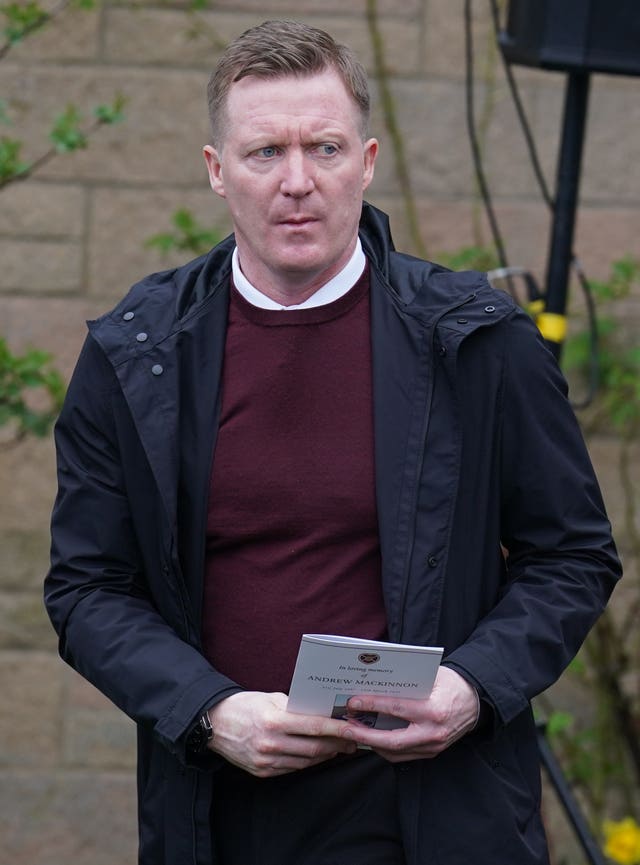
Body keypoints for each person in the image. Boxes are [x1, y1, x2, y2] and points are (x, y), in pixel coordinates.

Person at [45, 18, 621, 865]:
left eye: (324, 147)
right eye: (265, 153)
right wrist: (208, 709)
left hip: (437, 822)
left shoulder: (476, 343)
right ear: (216, 171)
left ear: (369, 160)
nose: (297, 182)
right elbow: (87, 587)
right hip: (218, 820)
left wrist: (471, 688)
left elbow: (572, 556)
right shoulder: (138, 354)